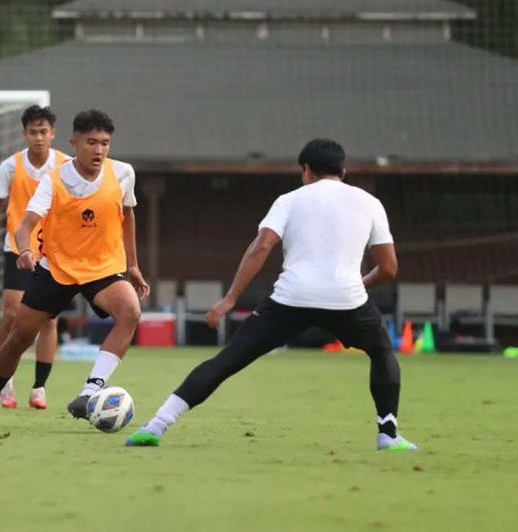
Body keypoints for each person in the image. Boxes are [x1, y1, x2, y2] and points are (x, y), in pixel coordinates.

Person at [126, 139, 418, 451]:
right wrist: (358, 283)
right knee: (382, 353)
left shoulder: (289, 200)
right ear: (343, 171)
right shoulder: (370, 203)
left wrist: (230, 298)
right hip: (348, 300)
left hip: (291, 298)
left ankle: (156, 426)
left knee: (228, 360)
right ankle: (387, 434)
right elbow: (388, 268)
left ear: (305, 170)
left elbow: (262, 246)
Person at [0, 109, 150, 429]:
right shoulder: (54, 179)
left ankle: (90, 393)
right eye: (91, 142)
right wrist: (27, 249)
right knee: (19, 337)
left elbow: (128, 215)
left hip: (102, 268)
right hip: (57, 268)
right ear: (74, 142)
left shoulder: (123, 173)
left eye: (105, 143)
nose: (99, 150)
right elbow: (25, 224)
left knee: (130, 311)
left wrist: (133, 266)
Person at [0, 105, 68, 410]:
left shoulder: (65, 165)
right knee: (12, 314)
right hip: (17, 248)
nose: (39, 137)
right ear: (25, 134)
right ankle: (6, 380)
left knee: (49, 320)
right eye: (33, 132)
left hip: (52, 252)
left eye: (44, 132)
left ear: (53, 134)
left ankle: (39, 387)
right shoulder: (11, 166)